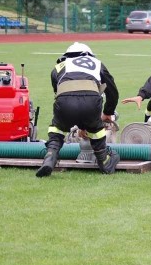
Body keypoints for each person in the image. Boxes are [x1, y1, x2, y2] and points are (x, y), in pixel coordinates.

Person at [36, 42, 120, 177]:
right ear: (88, 54)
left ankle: (50, 157)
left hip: (64, 103)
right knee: (97, 130)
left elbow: (62, 94)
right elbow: (112, 91)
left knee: (57, 128)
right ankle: (104, 160)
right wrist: (108, 112)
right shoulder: (96, 63)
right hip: (91, 102)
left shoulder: (58, 67)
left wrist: (79, 123)